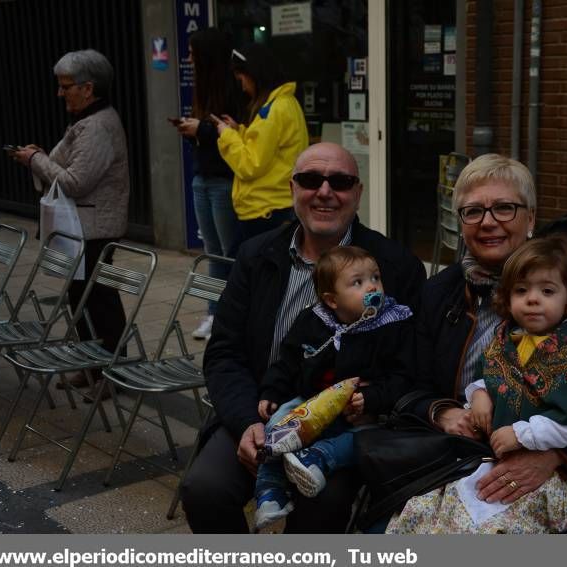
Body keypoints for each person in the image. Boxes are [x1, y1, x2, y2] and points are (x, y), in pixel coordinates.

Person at [180, 142, 426, 533]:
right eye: (311, 180)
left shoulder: (394, 266)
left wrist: (370, 401)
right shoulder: (256, 254)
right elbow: (224, 351)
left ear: (358, 193)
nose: (325, 192)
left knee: (321, 501)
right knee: (204, 489)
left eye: (340, 182)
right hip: (263, 409)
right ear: (293, 188)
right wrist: (247, 421)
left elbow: (413, 366)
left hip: (344, 427)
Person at [402, 153, 567, 532]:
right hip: (470, 449)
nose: (488, 222)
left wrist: (555, 455)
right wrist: (443, 412)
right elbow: (408, 377)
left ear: (532, 219)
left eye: (505, 208)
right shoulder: (440, 292)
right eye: (473, 211)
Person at [389, 234, 567, 533]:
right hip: (498, 451)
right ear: (507, 297)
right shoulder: (509, 337)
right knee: (425, 509)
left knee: (491, 526)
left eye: (547, 290)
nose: (532, 299)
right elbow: (496, 375)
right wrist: (480, 393)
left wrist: (523, 435)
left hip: (558, 466)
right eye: (521, 290)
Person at [254, 245, 414, 530]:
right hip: (311, 402)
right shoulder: (313, 321)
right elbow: (288, 361)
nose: (372, 287)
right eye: (358, 282)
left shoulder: (393, 324)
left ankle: (316, 461)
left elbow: (402, 376)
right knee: (277, 425)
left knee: (362, 442)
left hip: (361, 416)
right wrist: (271, 391)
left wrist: (372, 397)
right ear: (331, 300)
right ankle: (270, 488)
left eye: (375, 277)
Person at [11, 49, 129, 399]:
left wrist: (36, 160)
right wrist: (38, 158)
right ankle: (92, 366)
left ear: (88, 88)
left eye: (66, 87)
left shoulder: (98, 126)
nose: (60, 93)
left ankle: (111, 371)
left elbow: (76, 181)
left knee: (99, 299)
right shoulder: (83, 122)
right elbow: (57, 165)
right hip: (81, 225)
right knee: (80, 298)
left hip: (96, 226)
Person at [174, 28, 245, 340]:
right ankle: (213, 314)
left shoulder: (234, 89)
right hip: (201, 177)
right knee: (212, 251)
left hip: (225, 180)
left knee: (228, 253)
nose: (188, 58)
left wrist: (199, 130)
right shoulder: (203, 89)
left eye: (192, 52)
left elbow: (235, 134)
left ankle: (230, 317)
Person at [214, 43, 308, 253]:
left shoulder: (272, 111)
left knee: (243, 273)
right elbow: (270, 149)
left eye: (242, 79)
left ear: (254, 74)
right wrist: (239, 131)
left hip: (265, 210)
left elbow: (250, 164)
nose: (242, 86)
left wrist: (226, 135)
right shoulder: (286, 103)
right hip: (277, 207)